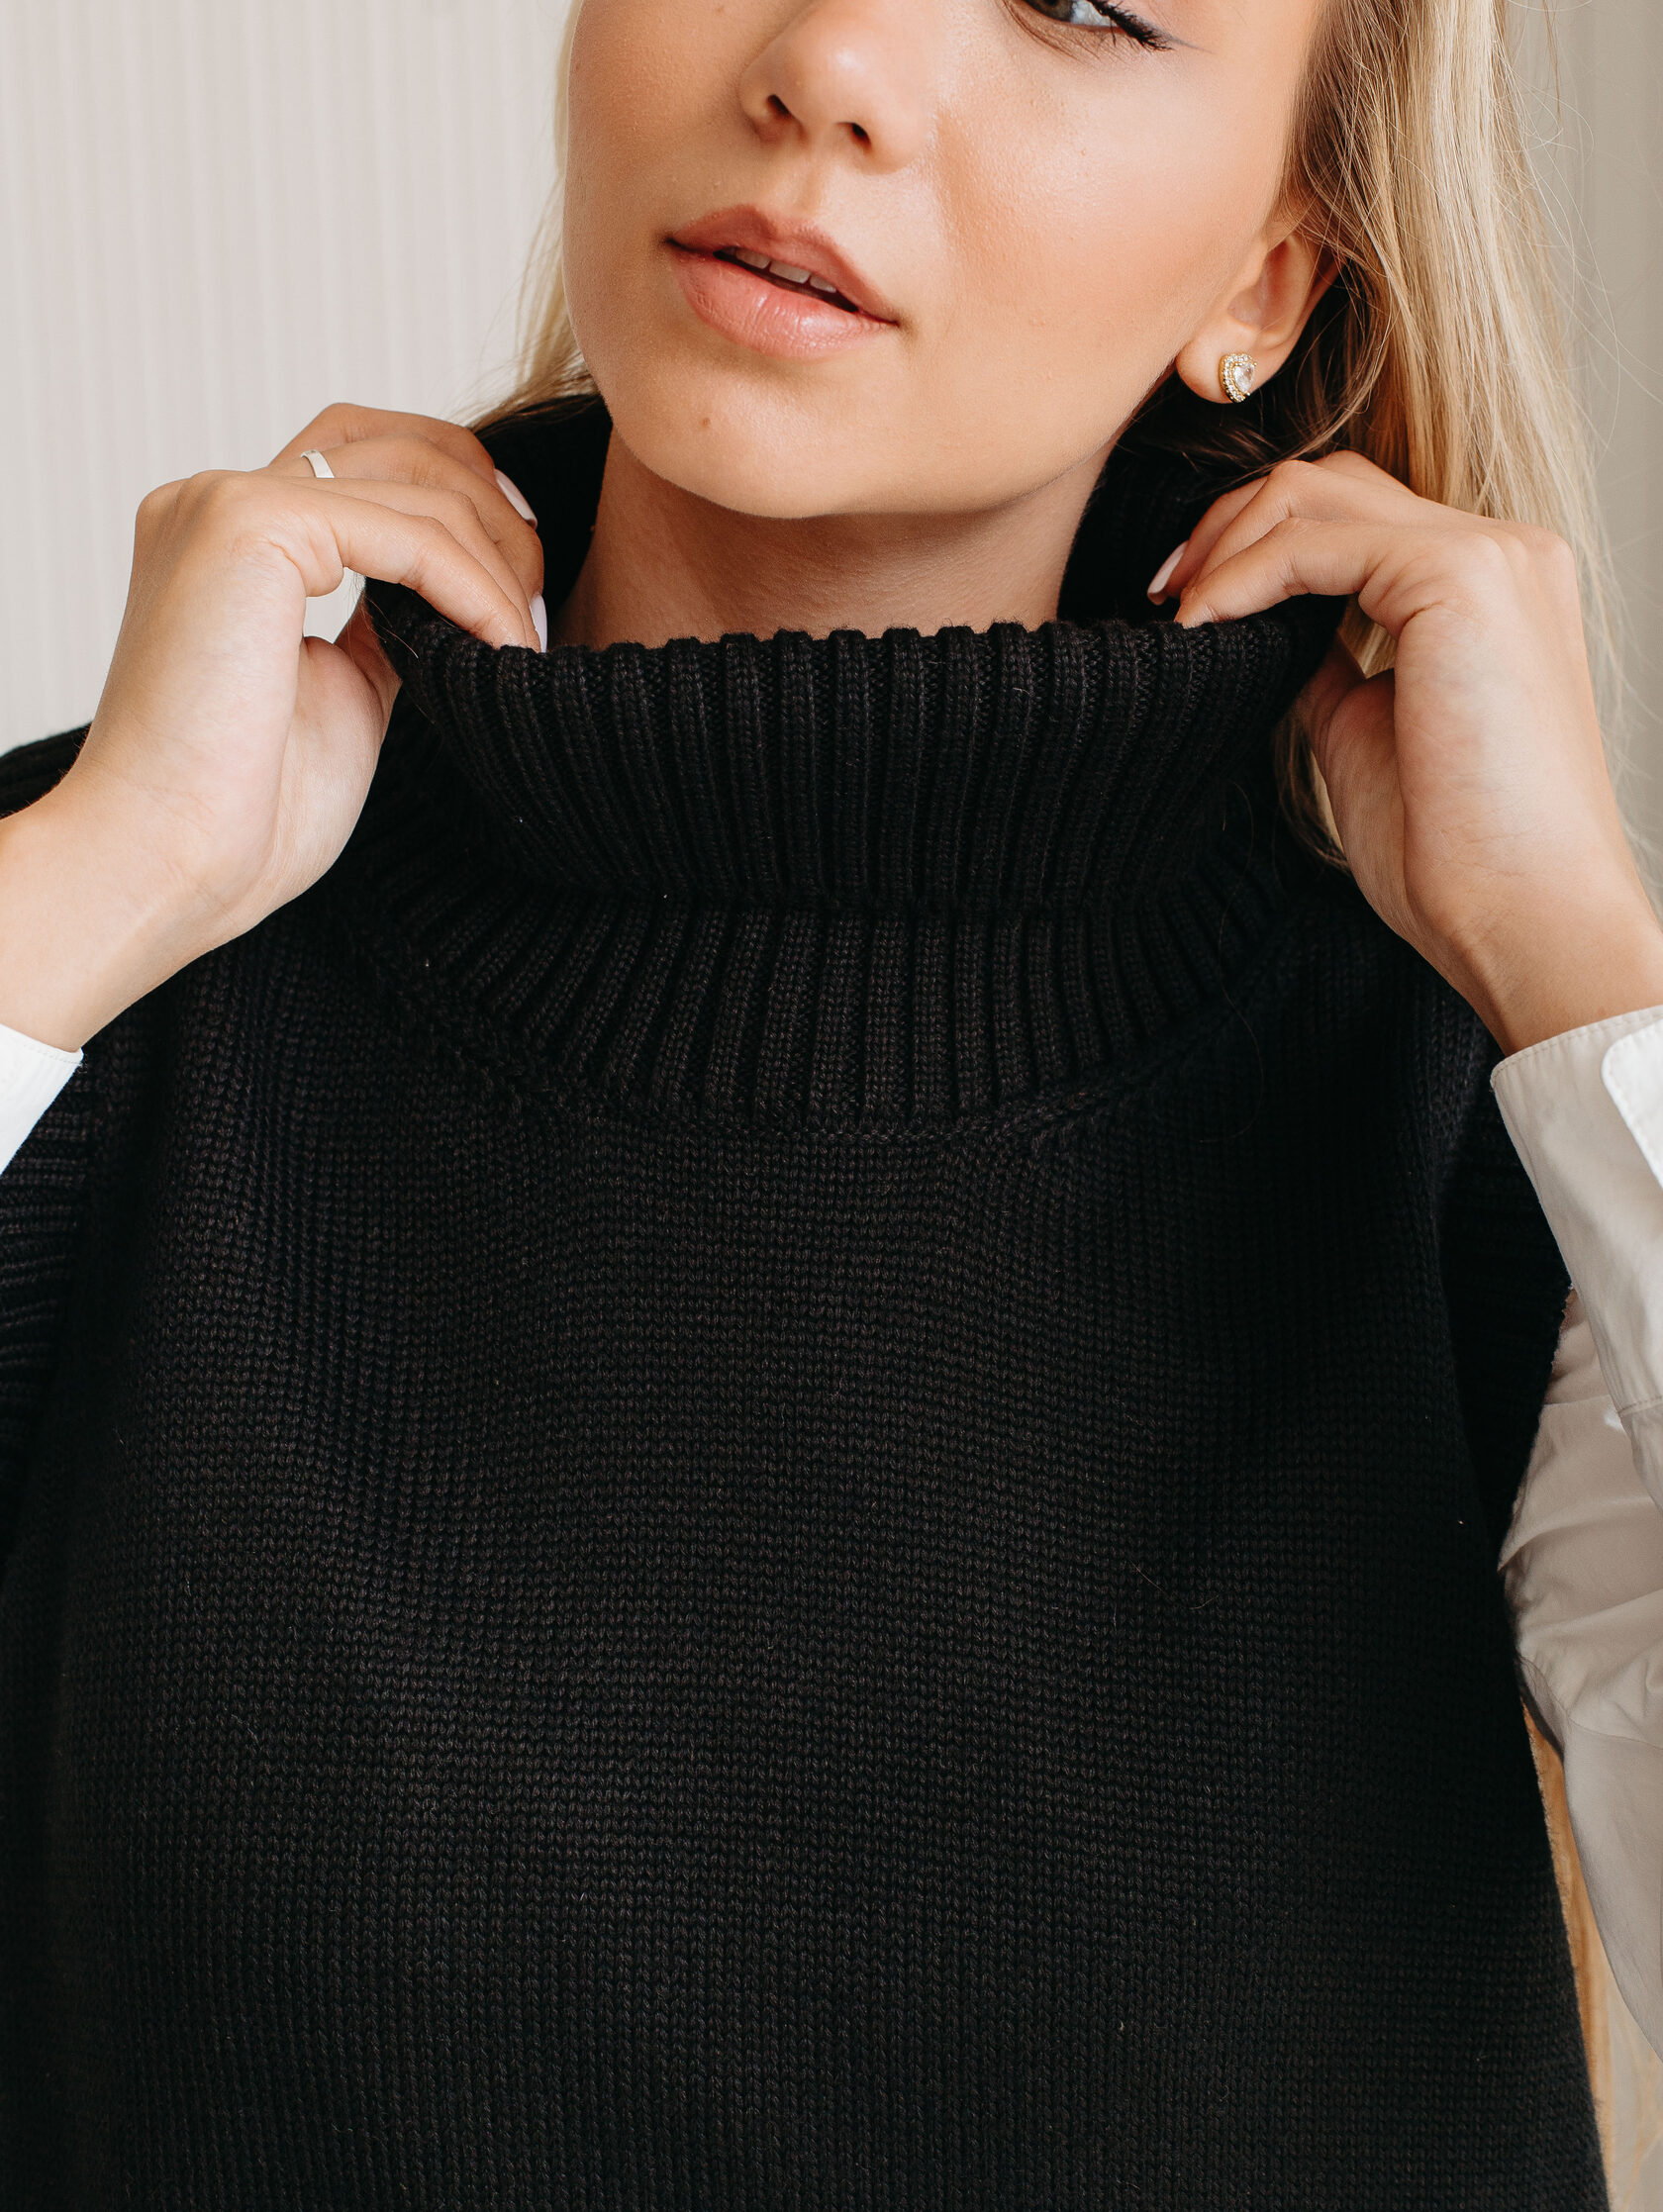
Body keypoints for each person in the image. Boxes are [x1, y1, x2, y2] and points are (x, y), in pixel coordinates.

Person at [2, 0, 1662, 2200]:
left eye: (1085, 2)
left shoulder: (1489, 1078)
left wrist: (1584, 961)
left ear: (1267, 280)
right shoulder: (99, 952)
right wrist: (99, 882)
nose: (836, 60)